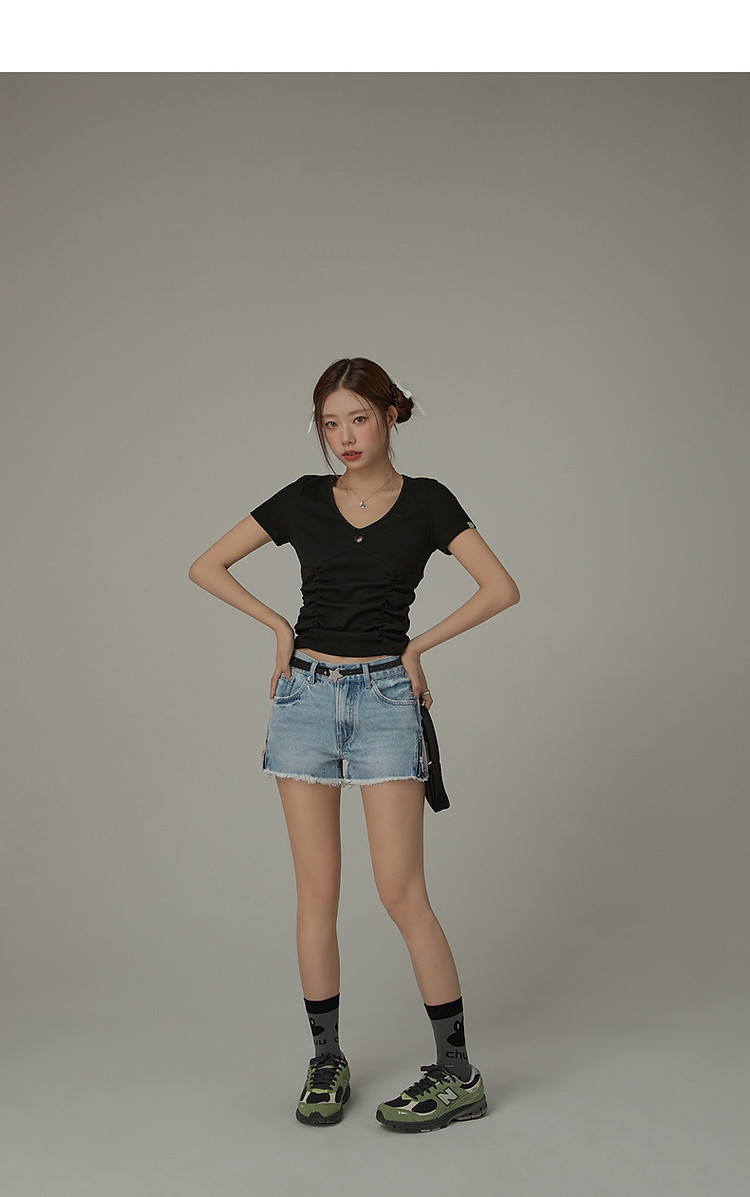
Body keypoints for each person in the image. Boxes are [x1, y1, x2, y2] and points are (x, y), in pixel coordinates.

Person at [188, 357, 520, 1132]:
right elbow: (206, 565)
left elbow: (501, 587)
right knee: (317, 892)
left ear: (389, 416)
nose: (344, 436)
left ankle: (458, 1072)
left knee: (402, 892)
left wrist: (418, 646)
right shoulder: (303, 499)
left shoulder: (428, 502)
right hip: (303, 698)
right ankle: (326, 1059)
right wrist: (278, 627)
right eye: (330, 423)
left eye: (358, 419)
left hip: (385, 700)